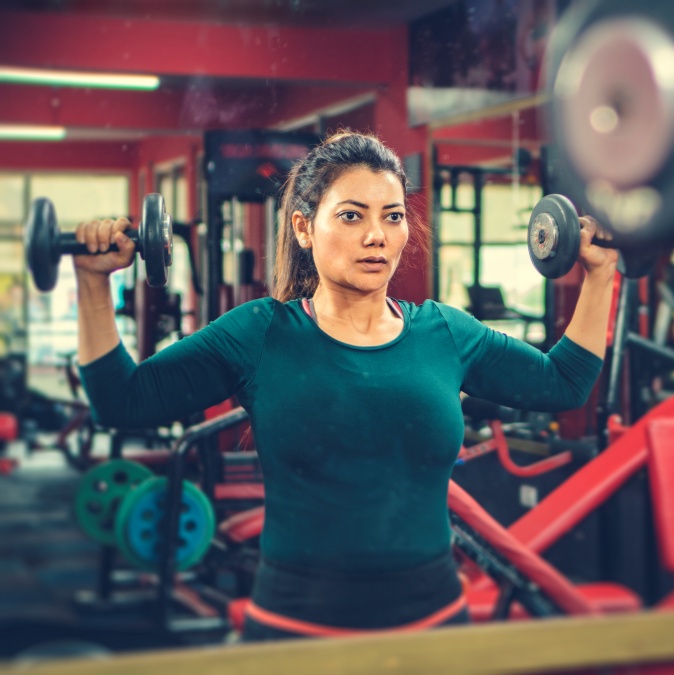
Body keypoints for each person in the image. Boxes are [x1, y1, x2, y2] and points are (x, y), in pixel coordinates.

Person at [73, 132, 618, 641]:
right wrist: (93, 282)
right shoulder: (261, 333)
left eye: (393, 216)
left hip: (432, 626)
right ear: (304, 228)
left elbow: (563, 382)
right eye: (352, 216)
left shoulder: (446, 334)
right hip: (297, 631)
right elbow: (122, 400)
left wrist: (600, 274)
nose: (376, 235)